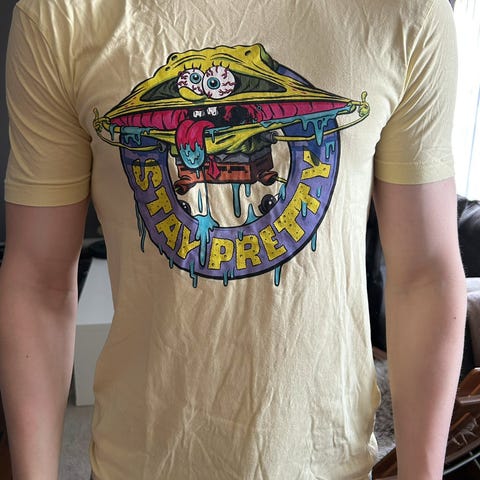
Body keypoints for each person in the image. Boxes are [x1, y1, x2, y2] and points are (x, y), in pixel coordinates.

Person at [0, 0, 466, 479]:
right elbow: (38, 282)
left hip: (328, 461)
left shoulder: (409, 13)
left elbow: (424, 275)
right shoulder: (59, 16)